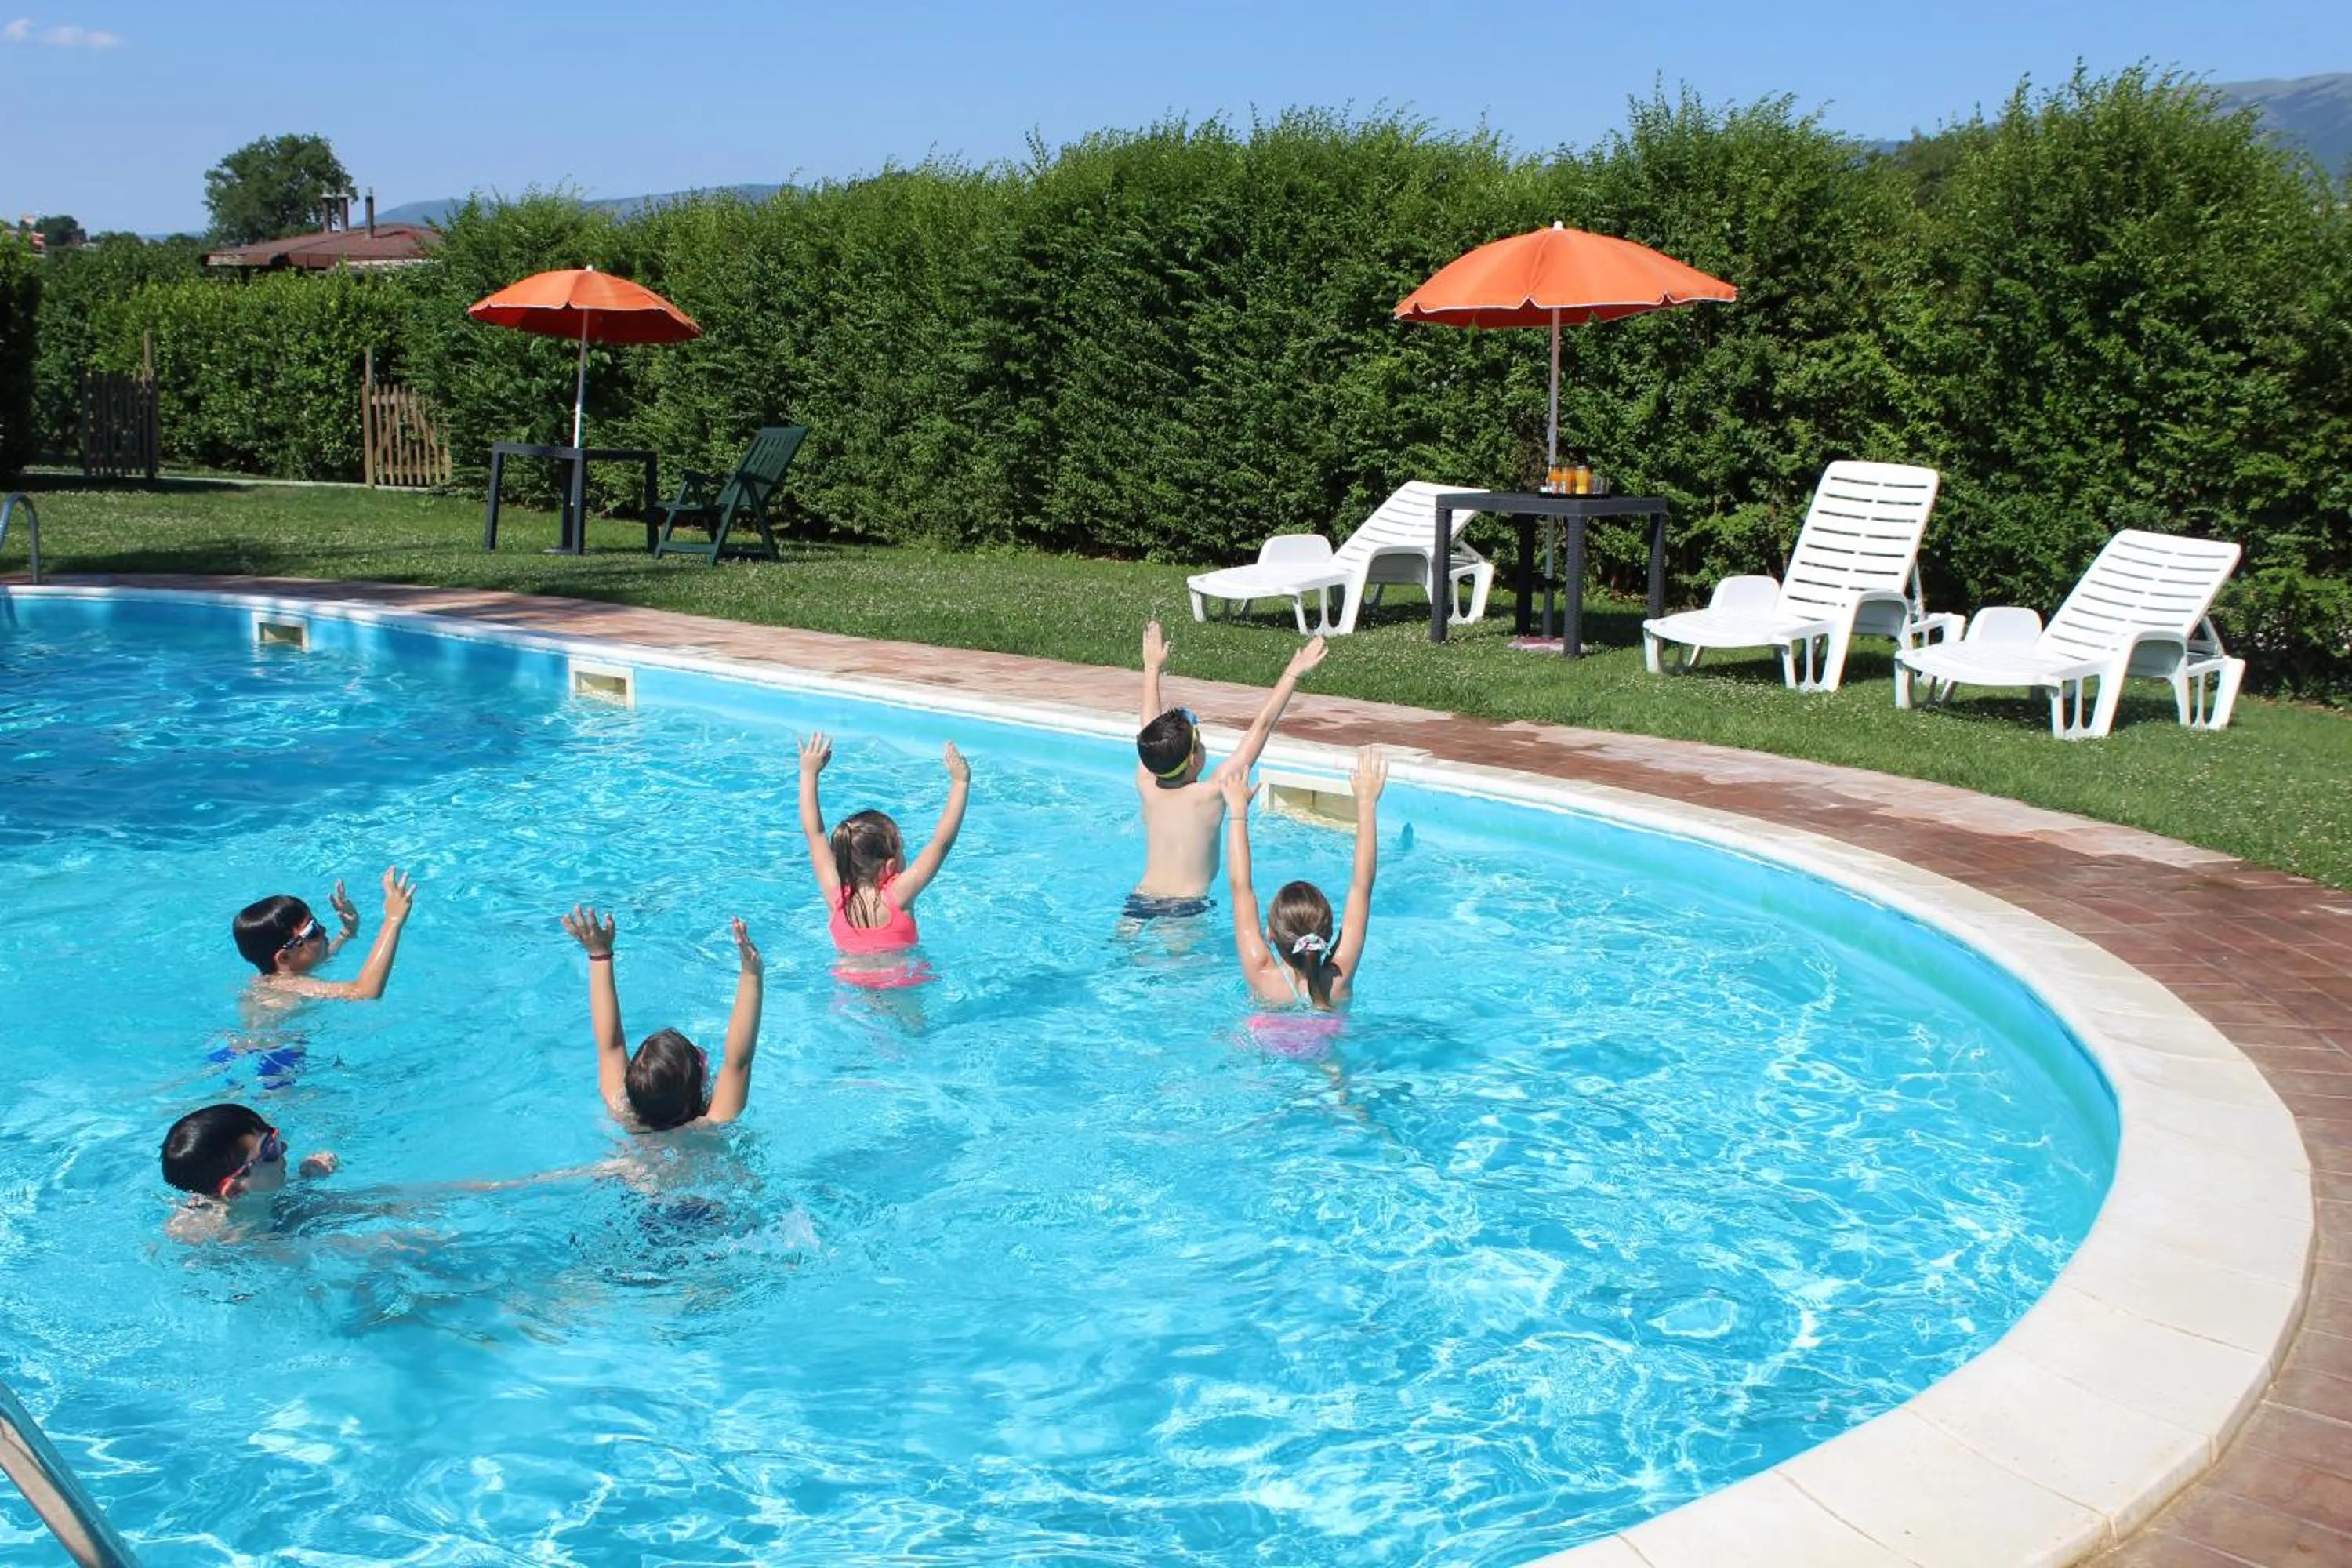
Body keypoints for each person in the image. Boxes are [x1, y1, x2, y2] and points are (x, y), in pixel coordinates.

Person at [1127, 619, 1327, 926]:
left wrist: (1151, 666)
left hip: (1139, 901)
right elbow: (1261, 727)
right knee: (1179, 974)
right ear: (1195, 759)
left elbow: (1147, 726)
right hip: (1184, 908)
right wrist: (1292, 672)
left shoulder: (1146, 783)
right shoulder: (1211, 794)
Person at [1219, 746, 1386, 1054]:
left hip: (1264, 1052)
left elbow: (1240, 888)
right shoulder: (1338, 977)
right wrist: (1366, 803)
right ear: (1326, 936)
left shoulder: (1261, 974)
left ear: (1270, 935)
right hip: (1327, 1054)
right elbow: (1362, 886)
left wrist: (1238, 812)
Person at [561, 906, 764, 1132]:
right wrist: (751, 974)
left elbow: (611, 1045)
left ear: (630, 1089)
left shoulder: (622, 1110)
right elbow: (738, 1061)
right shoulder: (710, 1124)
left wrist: (599, 955)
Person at [797, 733, 968, 982]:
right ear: (890, 866)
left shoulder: (836, 895)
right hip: (901, 980)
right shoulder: (898, 894)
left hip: (850, 981)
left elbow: (815, 833)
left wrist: (808, 773)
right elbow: (941, 843)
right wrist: (960, 783)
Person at [233, 868, 416, 1003]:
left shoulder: (284, 973)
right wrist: (393, 921)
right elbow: (365, 992)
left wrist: (347, 932)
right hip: (276, 1053)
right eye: (312, 931)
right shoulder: (287, 986)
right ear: (285, 956)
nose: (324, 930)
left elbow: (324, 955)